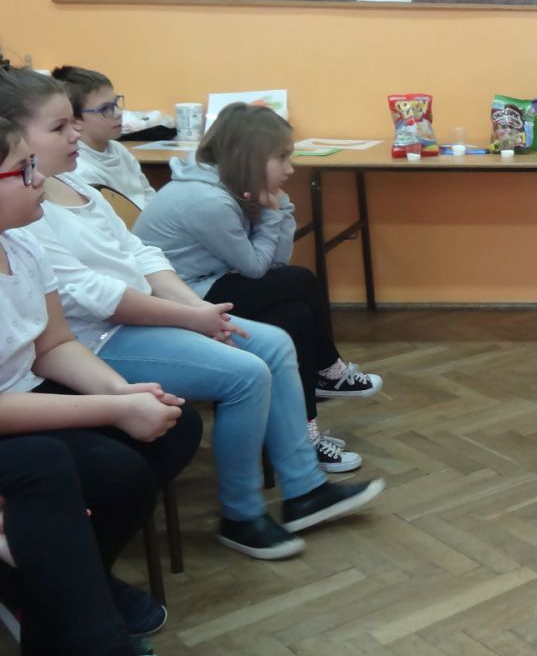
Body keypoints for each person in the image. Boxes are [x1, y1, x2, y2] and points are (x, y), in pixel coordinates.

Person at [0, 67, 383, 560]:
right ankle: (241, 514)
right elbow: (92, 296)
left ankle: (305, 488)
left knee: (273, 342)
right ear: (13, 135)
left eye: (73, 121)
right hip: (100, 340)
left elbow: (141, 255)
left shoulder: (78, 188)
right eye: (58, 127)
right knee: (246, 374)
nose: (75, 133)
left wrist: (196, 308)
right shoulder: (27, 214)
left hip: (139, 319)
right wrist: (187, 318)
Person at [0, 114, 199, 656]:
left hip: (24, 395)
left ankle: (57, 592)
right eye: (23, 170)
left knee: (170, 427)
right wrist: (114, 408)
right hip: (12, 417)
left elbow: (52, 345)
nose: (40, 179)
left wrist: (122, 392)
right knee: (54, 465)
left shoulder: (22, 242)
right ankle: (97, 649)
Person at [134, 104, 385, 410]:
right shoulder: (208, 200)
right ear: (245, 155)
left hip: (207, 284)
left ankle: (305, 426)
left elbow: (275, 264)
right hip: (178, 298)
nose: (290, 169)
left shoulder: (232, 187)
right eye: (281, 157)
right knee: (300, 280)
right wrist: (270, 214)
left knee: (295, 314)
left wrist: (280, 205)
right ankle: (329, 371)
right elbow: (255, 268)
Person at [50, 66, 156, 209]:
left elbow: (148, 194)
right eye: (106, 109)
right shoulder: (78, 168)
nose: (118, 113)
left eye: (116, 103)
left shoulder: (118, 149)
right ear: (75, 121)